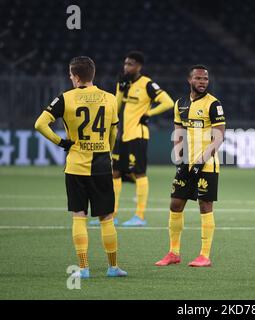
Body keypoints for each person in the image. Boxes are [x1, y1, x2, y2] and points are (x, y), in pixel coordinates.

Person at [34, 56, 127, 278]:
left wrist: (62, 142)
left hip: (76, 165)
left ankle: (83, 268)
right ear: (92, 74)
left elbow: (40, 124)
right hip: (102, 165)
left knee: (79, 215)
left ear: (75, 76)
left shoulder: (65, 98)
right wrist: (108, 150)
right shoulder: (110, 98)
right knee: (106, 217)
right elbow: (114, 132)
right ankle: (113, 267)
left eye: (70, 74)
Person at [155, 65, 226, 267]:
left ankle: (204, 255)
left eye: (205, 78)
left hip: (207, 164)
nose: (203, 82)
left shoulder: (214, 104)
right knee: (175, 204)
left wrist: (201, 161)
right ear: (189, 80)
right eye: (198, 78)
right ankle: (173, 253)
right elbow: (178, 133)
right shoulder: (181, 104)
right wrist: (179, 158)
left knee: (205, 206)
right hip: (186, 163)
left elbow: (219, 136)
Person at [104, 51, 174, 227]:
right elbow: (117, 106)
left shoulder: (147, 84)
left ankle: (140, 216)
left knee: (139, 173)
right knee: (116, 173)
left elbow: (168, 102)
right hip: (122, 135)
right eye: (125, 63)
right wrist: (120, 88)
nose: (126, 67)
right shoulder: (124, 83)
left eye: (130, 64)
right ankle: (112, 214)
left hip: (138, 135)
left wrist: (149, 113)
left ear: (139, 66)